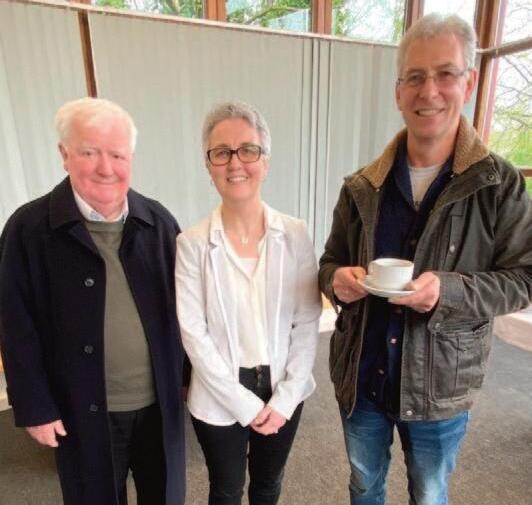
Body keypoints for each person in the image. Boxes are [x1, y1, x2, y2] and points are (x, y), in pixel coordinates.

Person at [319, 14, 532, 505]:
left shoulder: (498, 185)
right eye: (415, 76)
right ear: (399, 92)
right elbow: (329, 263)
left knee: (430, 493)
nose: (428, 91)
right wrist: (338, 281)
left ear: (469, 83)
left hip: (441, 385)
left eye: (445, 74)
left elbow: (524, 278)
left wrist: (447, 291)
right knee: (364, 486)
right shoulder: (361, 186)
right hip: (362, 374)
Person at [0, 98, 186, 505]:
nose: (106, 167)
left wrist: (192, 382)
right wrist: (35, 406)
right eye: (89, 152)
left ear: (130, 159)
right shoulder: (27, 230)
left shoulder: (158, 223)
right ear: (64, 154)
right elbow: (15, 326)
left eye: (117, 155)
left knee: (166, 496)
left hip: (159, 406)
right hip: (80, 411)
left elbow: (185, 311)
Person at [175, 101, 322, 505]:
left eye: (248, 150)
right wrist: (242, 403)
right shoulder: (191, 244)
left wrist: (286, 397)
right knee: (225, 489)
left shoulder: (295, 234)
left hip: (283, 386)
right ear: (209, 166)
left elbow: (307, 322)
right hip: (217, 391)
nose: (235, 162)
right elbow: (193, 333)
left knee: (268, 485)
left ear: (265, 161)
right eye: (221, 152)